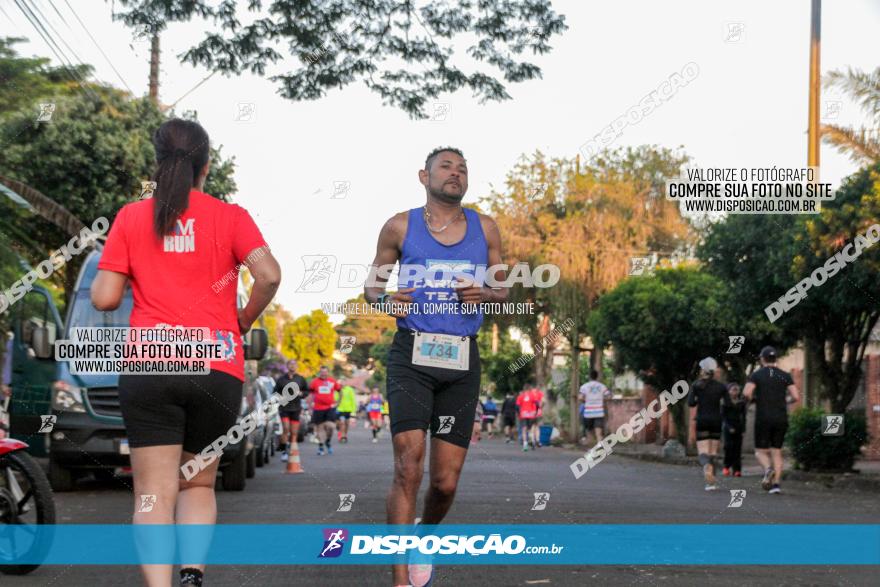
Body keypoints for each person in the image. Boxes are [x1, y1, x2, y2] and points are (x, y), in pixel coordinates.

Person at [90, 118, 281, 587]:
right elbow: (270, 275)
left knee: (152, 493)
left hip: (150, 365)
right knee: (197, 482)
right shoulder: (231, 216)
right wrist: (242, 320)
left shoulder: (132, 217)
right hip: (216, 366)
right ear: (206, 166)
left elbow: (105, 298)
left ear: (157, 163)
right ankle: (192, 575)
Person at [364, 146, 509, 587]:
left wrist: (485, 292)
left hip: (462, 358)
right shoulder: (399, 226)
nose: (456, 173)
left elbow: (502, 290)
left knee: (445, 482)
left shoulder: (485, 227)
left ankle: (424, 536)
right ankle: (400, 579)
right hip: (411, 355)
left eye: (462, 168)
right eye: (446, 166)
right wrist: (386, 298)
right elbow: (372, 287)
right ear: (423, 176)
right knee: (409, 466)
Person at [743, 346, 800, 494]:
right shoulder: (785, 375)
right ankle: (776, 485)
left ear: (762, 359)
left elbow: (747, 393)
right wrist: (785, 400)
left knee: (760, 451)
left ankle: (768, 470)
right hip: (781, 417)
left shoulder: (757, 375)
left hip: (763, 417)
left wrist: (755, 399)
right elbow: (796, 397)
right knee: (777, 451)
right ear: (776, 359)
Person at [688, 357, 730, 491]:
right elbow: (728, 404)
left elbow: (691, 403)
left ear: (703, 370)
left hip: (702, 420)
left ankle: (706, 467)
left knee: (703, 452)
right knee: (713, 452)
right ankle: (712, 483)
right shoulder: (721, 386)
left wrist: (698, 399)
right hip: (716, 420)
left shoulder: (696, 385)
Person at [275, 359, 308, 463]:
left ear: (297, 366)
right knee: (286, 429)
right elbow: (275, 392)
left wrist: (301, 394)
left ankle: (292, 451)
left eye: (294, 364)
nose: (292, 366)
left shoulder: (300, 379)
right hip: (284, 408)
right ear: (287, 366)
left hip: (296, 408)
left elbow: (306, 391)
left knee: (294, 432)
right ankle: (284, 452)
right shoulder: (281, 379)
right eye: (290, 364)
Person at [308, 366, 342, 455]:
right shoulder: (314, 382)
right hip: (318, 408)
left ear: (328, 372)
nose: (323, 373)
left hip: (329, 408)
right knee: (320, 428)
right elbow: (310, 395)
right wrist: (310, 407)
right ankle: (321, 447)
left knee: (331, 426)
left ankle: (327, 441)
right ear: (320, 372)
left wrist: (338, 402)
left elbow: (340, 391)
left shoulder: (332, 381)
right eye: (322, 372)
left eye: (325, 372)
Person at [578, 370, 611, 445]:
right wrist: (602, 399)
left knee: (589, 431)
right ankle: (599, 446)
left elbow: (580, 397)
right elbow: (609, 396)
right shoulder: (602, 386)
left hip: (588, 413)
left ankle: (591, 447)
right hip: (599, 412)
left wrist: (586, 400)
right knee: (598, 432)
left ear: (590, 377)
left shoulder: (584, 386)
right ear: (597, 376)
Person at [722, 382, 747, 477]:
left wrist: (744, 429)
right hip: (728, 427)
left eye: (737, 390)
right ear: (728, 391)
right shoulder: (725, 403)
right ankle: (726, 467)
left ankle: (737, 469)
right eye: (733, 390)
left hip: (738, 427)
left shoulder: (741, 403)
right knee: (728, 447)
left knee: (737, 449)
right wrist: (729, 427)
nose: (735, 392)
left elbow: (744, 417)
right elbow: (723, 417)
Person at [515, 387, 539, 451]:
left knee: (524, 429)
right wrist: (536, 411)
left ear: (524, 389)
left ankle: (525, 445)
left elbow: (517, 406)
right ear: (529, 389)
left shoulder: (521, 396)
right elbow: (537, 404)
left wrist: (518, 413)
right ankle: (533, 442)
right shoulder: (532, 395)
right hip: (531, 414)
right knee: (530, 429)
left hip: (523, 414)